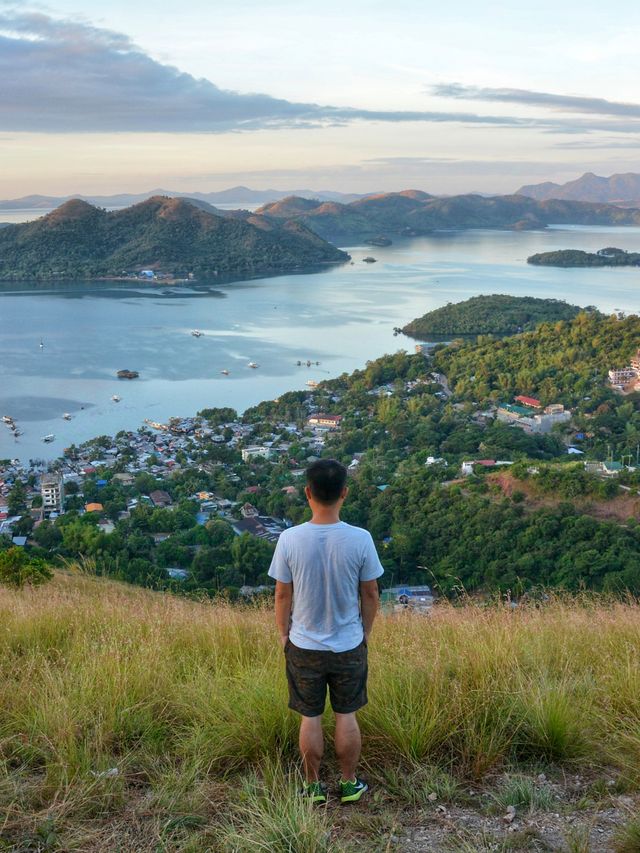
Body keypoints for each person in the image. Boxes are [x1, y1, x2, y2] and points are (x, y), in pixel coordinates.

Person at [268, 458, 384, 805]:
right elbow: (371, 593)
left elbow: (282, 594)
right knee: (346, 715)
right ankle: (349, 784)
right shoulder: (360, 539)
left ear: (307, 493)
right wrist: (365, 631)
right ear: (344, 493)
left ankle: (312, 788)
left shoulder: (289, 539)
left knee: (310, 716)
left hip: (303, 644)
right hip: (349, 643)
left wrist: (283, 633)